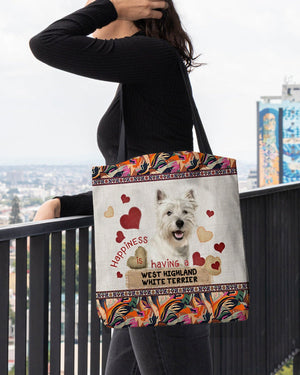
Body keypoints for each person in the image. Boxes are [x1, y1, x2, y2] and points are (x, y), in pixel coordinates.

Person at [30, 0, 213, 374]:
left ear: (132, 8)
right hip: (147, 261)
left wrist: (112, 7)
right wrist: (65, 204)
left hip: (157, 266)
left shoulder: (152, 56)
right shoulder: (147, 67)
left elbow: (46, 43)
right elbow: (139, 188)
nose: (89, 9)